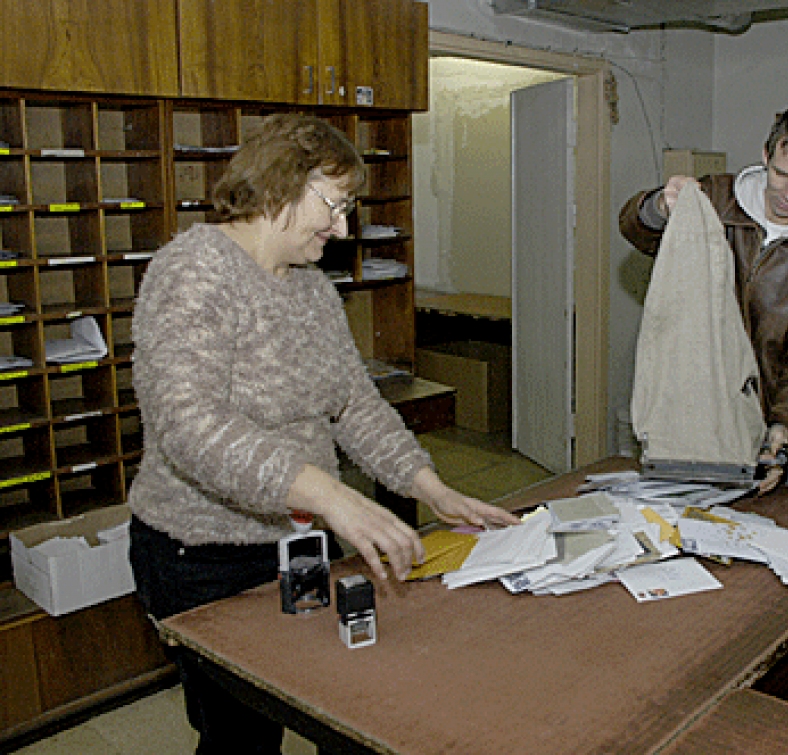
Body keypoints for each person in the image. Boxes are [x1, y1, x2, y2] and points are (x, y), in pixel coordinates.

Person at [127, 113, 519, 754]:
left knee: (336, 704)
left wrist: (431, 488)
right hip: (202, 556)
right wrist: (330, 495)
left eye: (348, 209)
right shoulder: (193, 272)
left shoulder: (311, 289)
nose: (342, 228)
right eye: (334, 205)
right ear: (281, 184)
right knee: (242, 740)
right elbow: (189, 427)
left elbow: (354, 404)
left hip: (297, 543)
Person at [619, 103, 788, 493]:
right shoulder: (716, 199)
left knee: (778, 524)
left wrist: (784, 427)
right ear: (765, 155)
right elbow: (637, 230)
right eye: (782, 174)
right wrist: (660, 206)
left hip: (771, 424)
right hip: (694, 415)